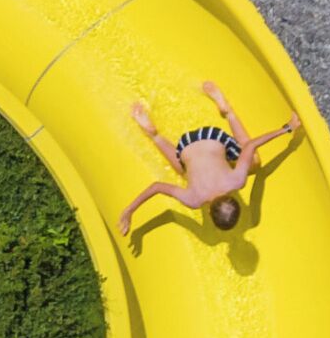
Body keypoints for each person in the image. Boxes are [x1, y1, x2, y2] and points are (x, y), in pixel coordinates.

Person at [119, 80, 303, 233]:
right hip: (185, 144)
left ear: (235, 200)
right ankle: (154, 135)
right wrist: (129, 211)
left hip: (212, 136)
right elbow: (157, 187)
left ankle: (227, 111)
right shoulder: (192, 199)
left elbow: (252, 145)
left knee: (251, 160)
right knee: (185, 172)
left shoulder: (237, 180)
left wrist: (287, 128)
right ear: (208, 212)